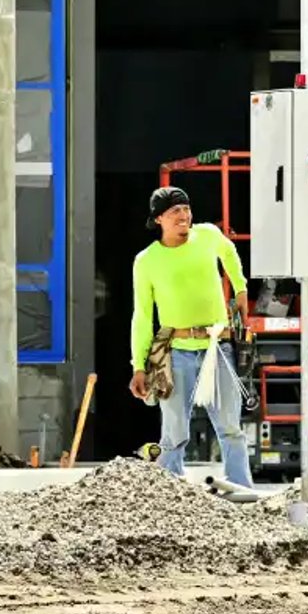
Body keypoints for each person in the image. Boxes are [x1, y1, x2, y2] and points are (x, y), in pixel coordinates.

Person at [129, 186, 253, 487]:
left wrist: (240, 288)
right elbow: (142, 316)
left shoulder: (208, 235)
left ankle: (242, 490)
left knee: (231, 428)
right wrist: (139, 366)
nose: (183, 215)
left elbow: (229, 252)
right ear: (159, 219)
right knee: (174, 432)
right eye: (175, 211)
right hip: (175, 353)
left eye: (186, 209)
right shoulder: (147, 261)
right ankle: (171, 492)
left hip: (217, 347)